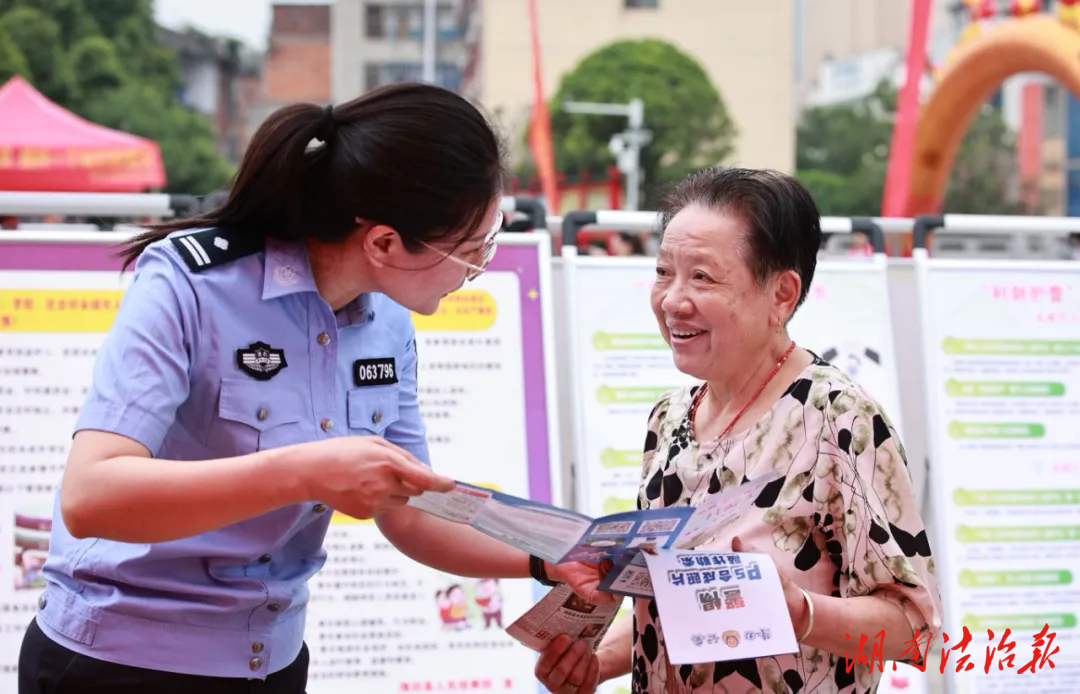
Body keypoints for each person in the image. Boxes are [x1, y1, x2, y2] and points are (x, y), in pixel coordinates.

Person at [18, 83, 609, 694]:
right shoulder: (189, 284)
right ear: (383, 243)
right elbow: (92, 495)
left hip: (269, 662)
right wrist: (306, 472)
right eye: (469, 249)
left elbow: (410, 513)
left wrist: (544, 557)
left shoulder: (387, 321)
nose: (481, 268)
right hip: (123, 663)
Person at [535, 167, 942, 694]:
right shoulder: (668, 418)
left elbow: (913, 631)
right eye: (664, 273)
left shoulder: (838, 417)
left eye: (702, 277)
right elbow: (670, 610)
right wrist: (596, 661)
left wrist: (800, 612)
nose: (672, 300)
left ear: (782, 295)